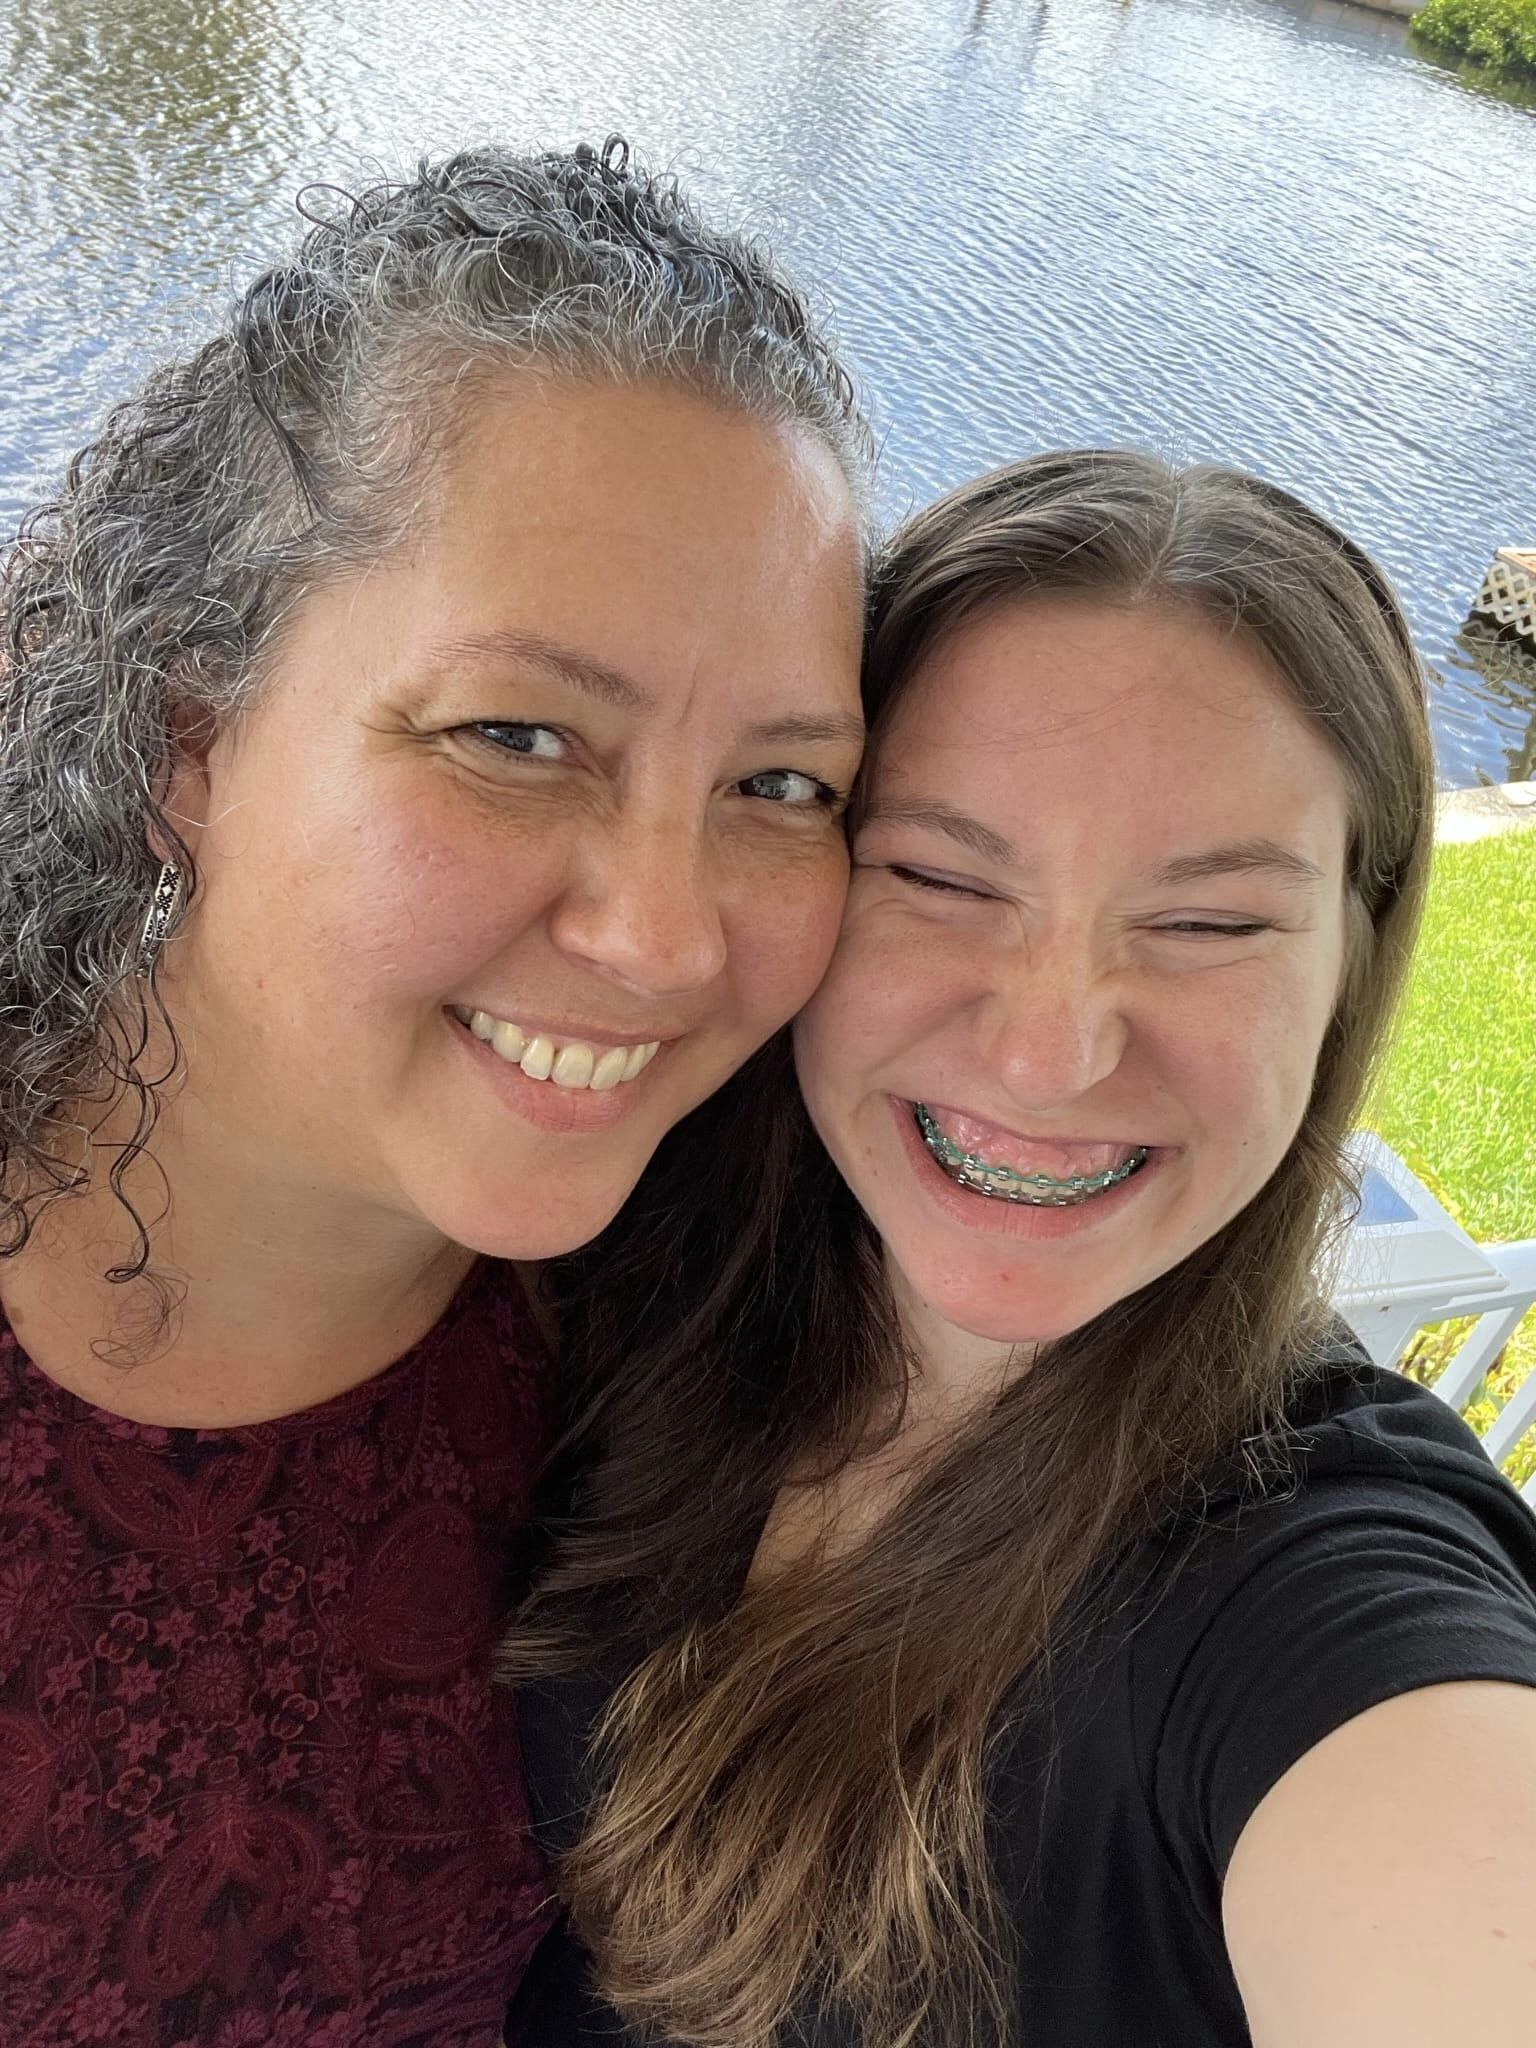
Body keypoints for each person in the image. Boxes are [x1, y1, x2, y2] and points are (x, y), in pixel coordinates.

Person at [0, 140, 870, 2046]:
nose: (664, 937)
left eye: (783, 785)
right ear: (187, 743)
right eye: (516, 735)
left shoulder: (727, 1330)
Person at [506, 449, 1536, 2047]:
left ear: (1352, 957)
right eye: (936, 875)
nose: (1051, 1054)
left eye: (1206, 923)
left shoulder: (1311, 1591)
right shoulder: (636, 1262)